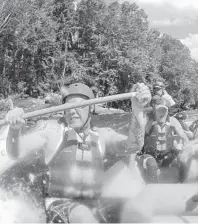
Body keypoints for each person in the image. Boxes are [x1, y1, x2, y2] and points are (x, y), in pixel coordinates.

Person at [5, 82, 151, 223]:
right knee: (82, 215)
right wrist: (14, 130)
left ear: (91, 108)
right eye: (68, 107)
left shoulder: (103, 136)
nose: (72, 111)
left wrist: (137, 110)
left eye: (78, 106)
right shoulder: (52, 132)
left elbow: (134, 146)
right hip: (59, 207)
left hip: (93, 207)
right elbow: (15, 153)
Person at [136, 96, 189, 183]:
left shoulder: (172, 121)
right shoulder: (147, 121)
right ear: (155, 111)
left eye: (164, 111)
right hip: (150, 155)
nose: (162, 113)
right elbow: (138, 136)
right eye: (159, 111)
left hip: (167, 155)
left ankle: (181, 185)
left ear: (167, 111)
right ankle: (153, 189)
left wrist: (185, 151)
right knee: (152, 165)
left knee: (183, 160)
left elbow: (184, 138)